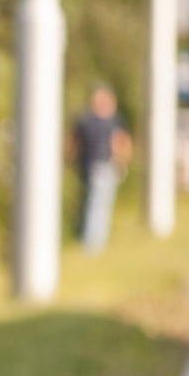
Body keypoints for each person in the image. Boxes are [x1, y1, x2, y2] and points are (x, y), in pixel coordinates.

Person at [70, 84, 132, 253]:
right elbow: (120, 143)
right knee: (98, 204)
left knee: (91, 202)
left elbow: (72, 145)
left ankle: (91, 239)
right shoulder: (111, 121)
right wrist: (122, 161)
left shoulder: (84, 120)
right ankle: (93, 243)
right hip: (104, 166)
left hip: (87, 167)